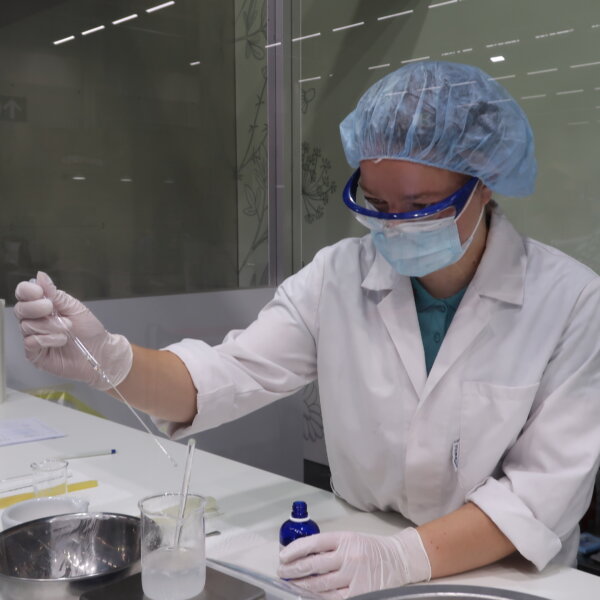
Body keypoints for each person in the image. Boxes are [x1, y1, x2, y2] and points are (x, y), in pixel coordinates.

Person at [14, 61, 600, 599]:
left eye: (420, 206)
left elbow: (541, 493)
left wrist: (400, 558)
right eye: (377, 204)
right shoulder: (338, 275)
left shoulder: (571, 301)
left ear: (485, 183)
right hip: (357, 546)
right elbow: (221, 377)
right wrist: (108, 360)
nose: (395, 227)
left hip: (504, 572)